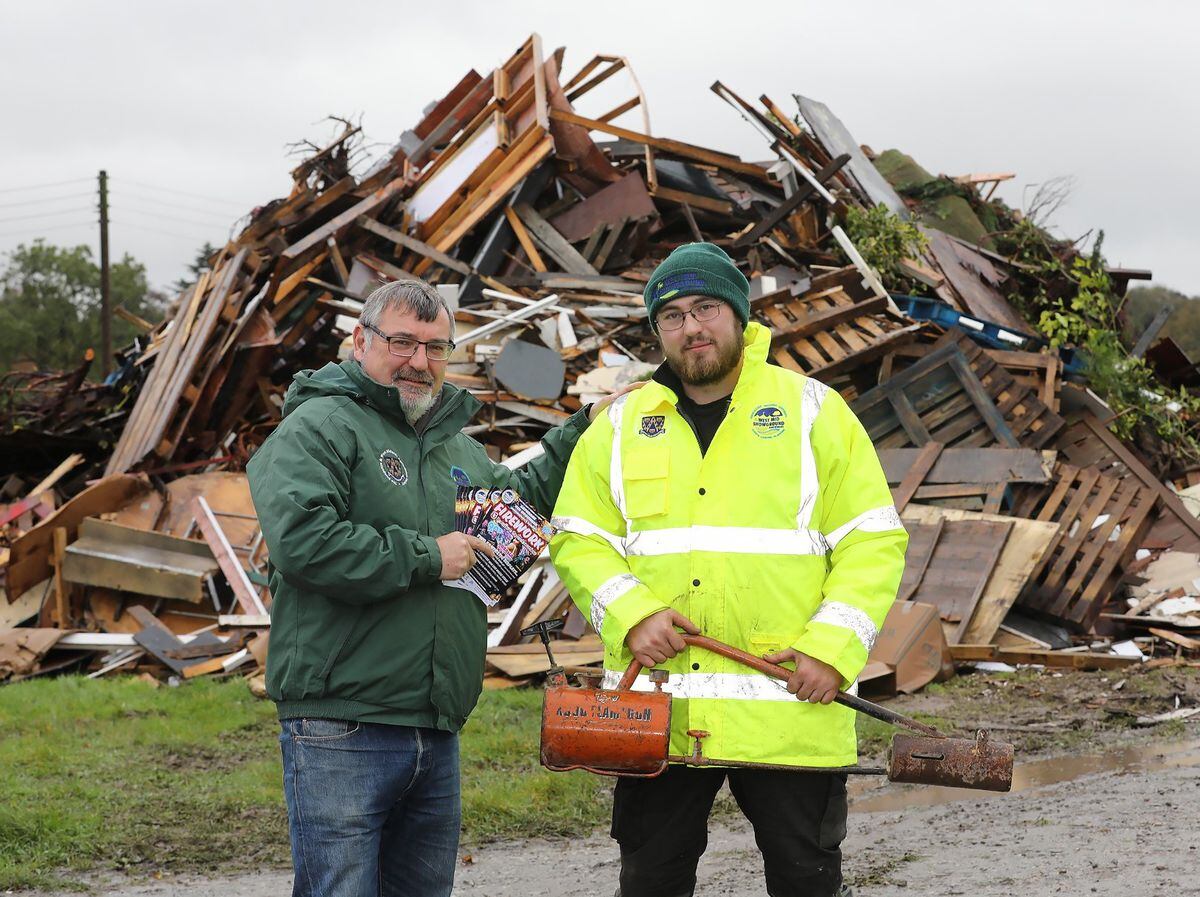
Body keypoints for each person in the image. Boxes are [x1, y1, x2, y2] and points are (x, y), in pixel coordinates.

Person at [549, 243, 908, 897]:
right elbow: (577, 537)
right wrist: (633, 615)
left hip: (789, 707)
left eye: (707, 307)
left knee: (805, 879)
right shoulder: (622, 424)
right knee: (651, 880)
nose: (692, 327)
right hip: (659, 713)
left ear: (740, 315)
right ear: (658, 332)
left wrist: (830, 650)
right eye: (673, 315)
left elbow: (872, 542)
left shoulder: (813, 413)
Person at [247, 279, 627, 897]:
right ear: (359, 342)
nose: (419, 362)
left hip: (435, 721)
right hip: (343, 722)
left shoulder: (453, 446)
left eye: (435, 348)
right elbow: (303, 543)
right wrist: (430, 556)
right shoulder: (320, 425)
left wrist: (585, 425)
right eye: (402, 343)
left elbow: (514, 504)